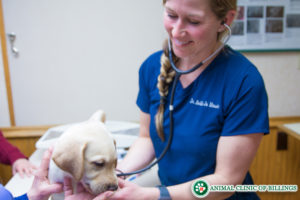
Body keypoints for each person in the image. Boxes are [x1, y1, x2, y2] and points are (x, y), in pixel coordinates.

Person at [64, 0, 269, 199]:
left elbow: (226, 181)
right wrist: (112, 177)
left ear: (226, 19)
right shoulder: (152, 67)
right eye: (171, 15)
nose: (177, 31)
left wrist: (154, 195)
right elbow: (147, 139)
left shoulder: (244, 81)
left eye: (194, 21)